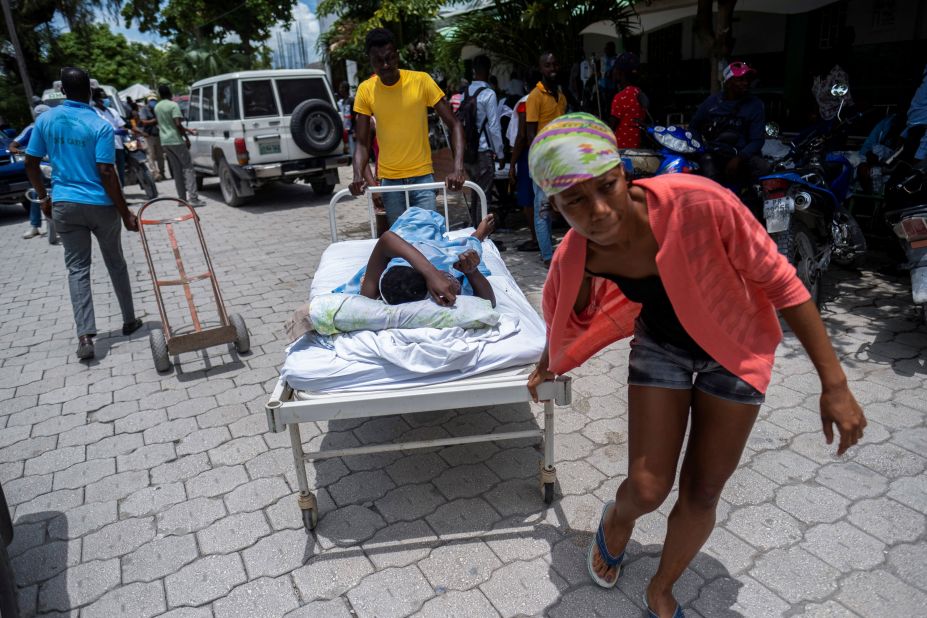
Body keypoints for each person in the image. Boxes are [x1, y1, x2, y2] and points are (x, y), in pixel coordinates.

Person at [525, 114, 866, 618]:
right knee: (646, 487)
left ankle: (662, 588)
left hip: (735, 346)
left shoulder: (699, 202)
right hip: (660, 347)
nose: (599, 210)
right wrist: (546, 365)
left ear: (625, 172)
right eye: (575, 200)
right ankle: (617, 521)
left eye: (608, 186)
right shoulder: (575, 256)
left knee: (704, 488)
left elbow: (784, 283)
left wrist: (834, 384)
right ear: (552, 205)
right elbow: (561, 318)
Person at [24, 67, 144, 360]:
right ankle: (129, 320)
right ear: (90, 92)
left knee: (78, 269)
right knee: (115, 261)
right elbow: (106, 171)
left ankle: (86, 336)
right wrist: (125, 211)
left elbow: (31, 162)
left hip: (65, 203)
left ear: (62, 92)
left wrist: (43, 198)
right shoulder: (99, 124)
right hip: (101, 206)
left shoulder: (46, 120)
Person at [349, 28, 466, 226]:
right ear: (370, 60)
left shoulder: (421, 81)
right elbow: (361, 143)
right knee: (401, 244)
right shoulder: (365, 90)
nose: (386, 65)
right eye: (378, 60)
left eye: (390, 58)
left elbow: (454, 124)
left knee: (428, 240)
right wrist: (357, 176)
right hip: (389, 183)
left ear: (397, 55)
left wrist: (458, 168)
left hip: (422, 178)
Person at [334, 207, 496, 307]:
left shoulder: (368, 294)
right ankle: (478, 235)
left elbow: (388, 239)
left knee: (417, 218)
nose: (445, 278)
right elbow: (490, 303)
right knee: (468, 254)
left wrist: (431, 272)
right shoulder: (446, 293)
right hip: (433, 250)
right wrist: (472, 272)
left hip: (409, 246)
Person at [689, 61, 768, 187]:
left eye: (747, 79)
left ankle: (752, 202)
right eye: (740, 80)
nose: (746, 83)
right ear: (728, 82)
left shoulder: (755, 105)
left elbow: (757, 141)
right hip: (715, 152)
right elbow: (694, 127)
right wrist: (700, 149)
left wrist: (739, 158)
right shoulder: (712, 102)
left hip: (742, 154)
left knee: (762, 167)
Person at [525, 51, 567, 267]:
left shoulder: (560, 95)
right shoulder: (535, 96)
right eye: (548, 66)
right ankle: (547, 256)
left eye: (555, 65)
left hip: (559, 161)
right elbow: (530, 132)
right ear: (541, 69)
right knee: (542, 206)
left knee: (560, 205)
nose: (552, 69)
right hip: (542, 162)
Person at [463, 55, 505, 228]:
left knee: (475, 193)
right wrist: (500, 153)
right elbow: (494, 127)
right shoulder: (488, 94)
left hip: (468, 152)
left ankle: (475, 229)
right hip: (483, 151)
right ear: (488, 70)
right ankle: (484, 235)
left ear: (474, 70)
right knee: (485, 195)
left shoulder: (465, 92)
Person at [156, 85, 203, 207]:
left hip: (165, 141)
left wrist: (188, 130)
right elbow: (177, 124)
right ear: (170, 93)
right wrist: (186, 138)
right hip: (176, 140)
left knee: (176, 171)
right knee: (188, 168)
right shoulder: (173, 105)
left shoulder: (157, 107)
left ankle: (181, 199)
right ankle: (193, 199)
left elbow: (168, 124)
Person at [10, 104, 51, 239]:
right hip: (40, 165)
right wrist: (17, 150)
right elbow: (14, 144)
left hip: (58, 164)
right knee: (35, 192)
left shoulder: (57, 126)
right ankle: (35, 225)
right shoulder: (32, 129)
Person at [608, 52, 648, 148]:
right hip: (638, 148)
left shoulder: (620, 97)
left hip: (622, 150)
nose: (612, 72)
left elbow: (611, 126)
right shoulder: (639, 93)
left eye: (614, 69)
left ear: (620, 73)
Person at [92, 88, 129, 187]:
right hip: (105, 147)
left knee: (120, 170)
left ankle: (122, 193)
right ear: (96, 100)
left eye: (106, 97)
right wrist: (112, 132)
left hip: (118, 145)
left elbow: (121, 124)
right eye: (102, 98)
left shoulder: (112, 111)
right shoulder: (93, 112)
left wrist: (124, 130)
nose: (105, 100)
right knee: (110, 172)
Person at [139, 93, 165, 181]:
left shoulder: (158, 109)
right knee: (151, 155)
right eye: (151, 101)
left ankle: (162, 172)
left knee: (160, 155)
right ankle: (155, 173)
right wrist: (154, 120)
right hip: (149, 135)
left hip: (158, 134)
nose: (153, 102)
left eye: (154, 100)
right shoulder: (144, 110)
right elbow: (143, 121)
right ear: (148, 101)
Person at [337, 81, 355, 157]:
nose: (339, 90)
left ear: (345, 89)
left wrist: (355, 131)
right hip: (345, 131)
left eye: (341, 88)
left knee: (354, 152)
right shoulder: (342, 101)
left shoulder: (351, 101)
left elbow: (355, 116)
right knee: (349, 153)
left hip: (351, 131)